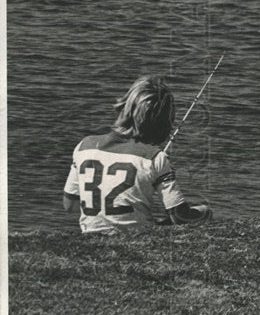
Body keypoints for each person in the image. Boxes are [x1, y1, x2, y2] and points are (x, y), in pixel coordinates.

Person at [63, 75, 212, 233]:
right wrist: (204, 211)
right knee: (204, 211)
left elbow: (70, 205)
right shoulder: (155, 158)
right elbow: (180, 217)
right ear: (162, 122)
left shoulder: (84, 146)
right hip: (137, 237)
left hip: (91, 236)